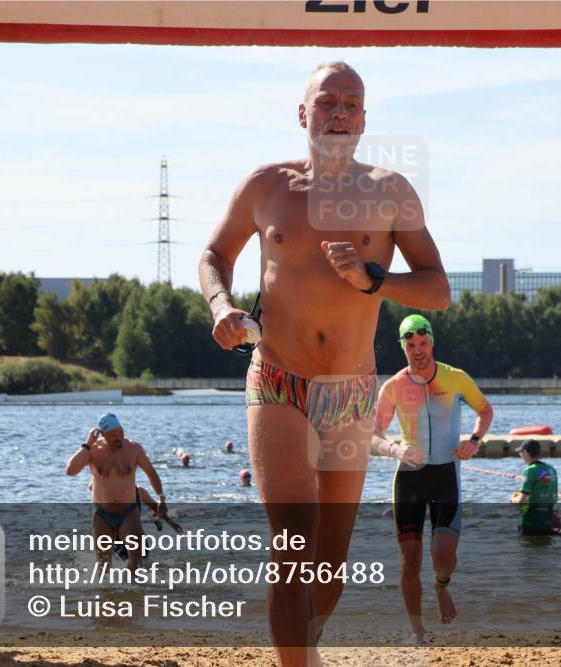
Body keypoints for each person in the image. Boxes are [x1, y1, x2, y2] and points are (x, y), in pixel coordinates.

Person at [198, 61, 450, 665]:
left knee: (330, 567)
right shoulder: (266, 186)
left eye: (351, 104)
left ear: (364, 119)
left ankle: (304, 646)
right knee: (291, 545)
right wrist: (222, 306)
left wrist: (375, 278)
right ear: (304, 113)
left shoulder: (390, 191)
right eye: (328, 101)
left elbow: (437, 289)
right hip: (277, 380)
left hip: (349, 392)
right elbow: (214, 254)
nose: (339, 112)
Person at [371, 315, 493, 644]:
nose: (418, 350)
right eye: (410, 345)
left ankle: (442, 587)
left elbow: (485, 411)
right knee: (410, 561)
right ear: (403, 347)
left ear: (432, 343)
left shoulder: (455, 377)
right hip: (409, 478)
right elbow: (373, 437)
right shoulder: (394, 386)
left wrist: (474, 440)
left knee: (443, 556)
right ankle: (418, 632)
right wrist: (395, 450)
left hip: (445, 476)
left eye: (423, 344)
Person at [65, 412, 167, 570]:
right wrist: (87, 444)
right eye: (113, 435)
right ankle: (105, 593)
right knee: (103, 566)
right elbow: (70, 471)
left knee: (137, 560)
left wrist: (161, 497)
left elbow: (151, 473)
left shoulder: (133, 449)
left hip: (128, 512)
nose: (118, 437)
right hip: (102, 515)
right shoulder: (93, 450)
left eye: (120, 432)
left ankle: (131, 591)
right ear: (103, 435)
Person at [509, 440, 559, 536]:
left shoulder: (529, 470)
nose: (520, 455)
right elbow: (555, 498)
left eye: (521, 452)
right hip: (546, 520)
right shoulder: (551, 469)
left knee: (526, 548)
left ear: (526, 453)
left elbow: (521, 501)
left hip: (530, 522)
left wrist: (512, 499)